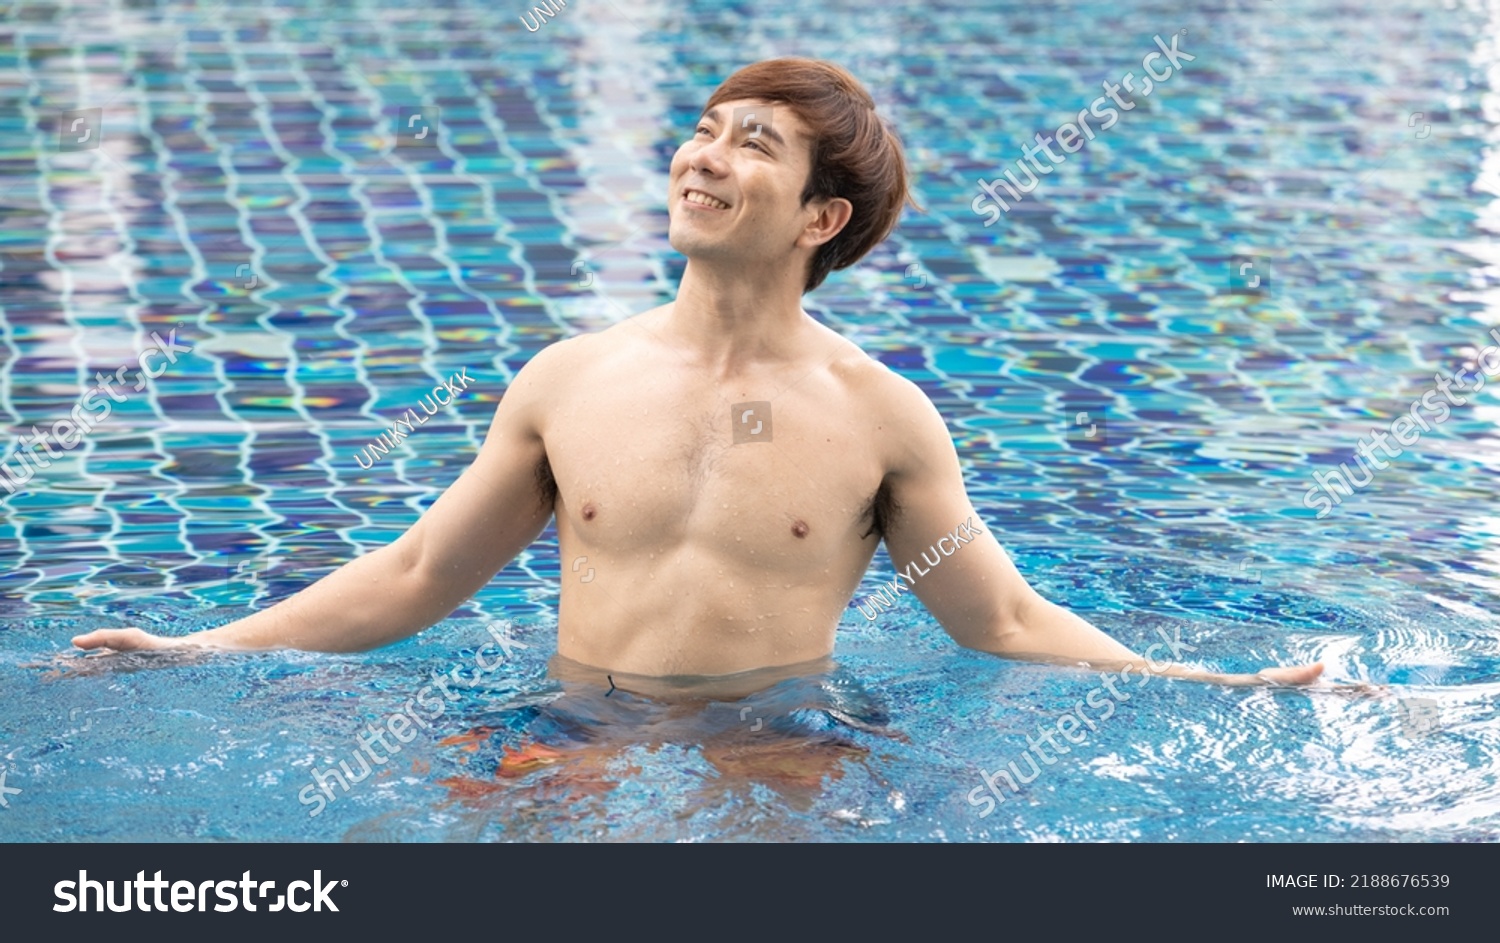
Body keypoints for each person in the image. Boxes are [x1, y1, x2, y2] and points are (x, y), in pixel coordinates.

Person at [71, 57, 1322, 694]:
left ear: (820, 218)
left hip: (781, 742)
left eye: (752, 144)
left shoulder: (885, 420)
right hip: (569, 730)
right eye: (704, 128)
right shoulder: (567, 380)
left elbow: (997, 619)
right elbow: (418, 573)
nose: (702, 157)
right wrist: (202, 649)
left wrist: (1207, 681)